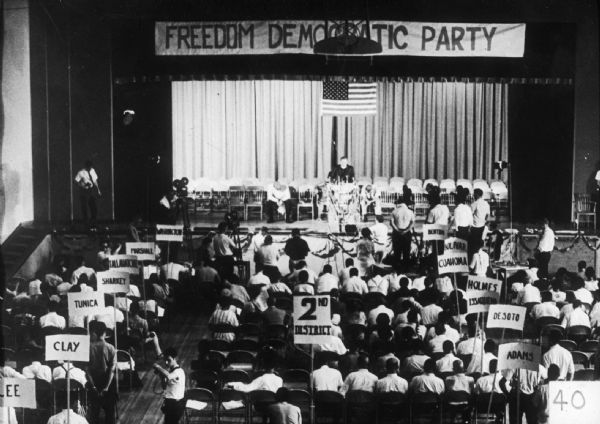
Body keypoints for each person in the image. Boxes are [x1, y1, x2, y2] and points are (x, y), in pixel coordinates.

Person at [86, 321, 117, 424]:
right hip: (108, 382)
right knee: (110, 412)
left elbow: (87, 371)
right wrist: (107, 387)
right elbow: (112, 370)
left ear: (94, 334)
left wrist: (93, 386)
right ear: (104, 333)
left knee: (94, 412)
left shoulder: (87, 348)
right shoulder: (111, 348)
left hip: (93, 381)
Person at [153, 347, 186, 424]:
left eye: (169, 360)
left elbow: (168, 376)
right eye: (165, 360)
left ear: (175, 358)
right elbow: (164, 387)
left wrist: (158, 367)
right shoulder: (170, 371)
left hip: (176, 405)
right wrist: (161, 375)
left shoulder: (179, 372)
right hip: (169, 403)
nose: (166, 363)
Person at [390, 196, 414, 271]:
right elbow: (412, 223)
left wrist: (397, 230)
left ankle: (397, 268)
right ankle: (406, 268)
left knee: (397, 252)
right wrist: (406, 230)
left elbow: (392, 223)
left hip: (397, 232)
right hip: (407, 232)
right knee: (406, 251)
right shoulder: (410, 211)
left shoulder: (394, 211)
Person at [74, 160, 101, 224]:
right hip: (83, 191)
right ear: (86, 167)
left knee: (93, 206)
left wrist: (98, 190)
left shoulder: (92, 171)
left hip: (90, 191)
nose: (89, 169)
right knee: (84, 207)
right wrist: (83, 185)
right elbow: (75, 181)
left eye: (90, 167)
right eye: (88, 167)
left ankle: (93, 220)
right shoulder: (81, 172)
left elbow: (95, 180)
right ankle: (85, 221)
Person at [470, 188, 490, 258]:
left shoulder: (474, 204)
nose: (473, 196)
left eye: (474, 194)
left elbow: (470, 215)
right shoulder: (486, 204)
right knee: (479, 246)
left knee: (473, 247)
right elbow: (487, 216)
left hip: (475, 228)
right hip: (483, 227)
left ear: (477, 195)